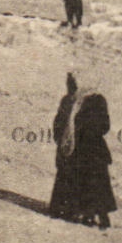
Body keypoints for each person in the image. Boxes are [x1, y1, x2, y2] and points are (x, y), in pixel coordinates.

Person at [51, 90, 115, 228]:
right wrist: (62, 140)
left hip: (92, 149)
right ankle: (81, 213)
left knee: (95, 182)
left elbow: (104, 125)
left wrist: (88, 131)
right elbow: (59, 122)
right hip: (75, 149)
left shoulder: (96, 100)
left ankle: (99, 215)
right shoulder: (69, 100)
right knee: (81, 181)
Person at [46, 73, 77, 220]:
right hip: (73, 146)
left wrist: (58, 137)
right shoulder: (77, 102)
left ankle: (57, 208)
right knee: (70, 178)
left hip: (66, 145)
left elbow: (57, 121)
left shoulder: (67, 100)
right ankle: (67, 211)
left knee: (63, 177)